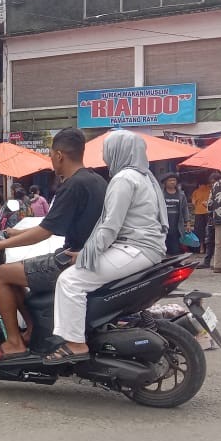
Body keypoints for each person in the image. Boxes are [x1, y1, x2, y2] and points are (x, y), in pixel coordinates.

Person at [0, 128, 107, 361]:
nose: (51, 160)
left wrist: (0, 245)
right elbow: (57, 224)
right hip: (88, 255)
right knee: (14, 274)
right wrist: (15, 233)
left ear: (59, 155)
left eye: (49, 155)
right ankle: (35, 329)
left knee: (1, 274)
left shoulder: (72, 184)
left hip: (71, 260)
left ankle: (14, 342)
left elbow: (44, 232)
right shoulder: (96, 180)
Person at [45, 130, 167, 364]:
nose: (104, 155)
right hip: (145, 248)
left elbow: (110, 225)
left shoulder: (124, 179)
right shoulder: (145, 177)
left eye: (106, 149)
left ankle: (76, 344)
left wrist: (86, 255)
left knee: (70, 281)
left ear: (119, 151)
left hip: (135, 248)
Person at [161, 172, 191, 255]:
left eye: (174, 180)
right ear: (165, 182)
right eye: (170, 180)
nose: (172, 182)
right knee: (164, 247)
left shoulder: (181, 194)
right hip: (163, 224)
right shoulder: (160, 194)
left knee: (175, 248)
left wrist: (187, 223)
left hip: (177, 225)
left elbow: (185, 209)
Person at [199, 172, 221, 269]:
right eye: (211, 183)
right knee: (210, 240)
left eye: (214, 182)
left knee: (219, 241)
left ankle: (217, 263)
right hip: (212, 218)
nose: (213, 184)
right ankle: (207, 261)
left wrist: (207, 205)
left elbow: (214, 205)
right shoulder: (213, 191)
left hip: (219, 218)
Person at [191, 175, 213, 254]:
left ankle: (201, 248)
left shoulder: (196, 191)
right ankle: (209, 248)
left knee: (200, 231)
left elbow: (193, 203)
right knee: (210, 230)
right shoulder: (210, 190)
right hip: (208, 212)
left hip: (198, 213)